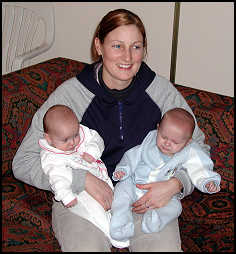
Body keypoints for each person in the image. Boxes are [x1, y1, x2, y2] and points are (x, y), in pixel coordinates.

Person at [12, 8, 214, 252]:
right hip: (85, 199)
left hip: (145, 195)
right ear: (99, 46)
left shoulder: (160, 92)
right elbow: (24, 161)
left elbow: (198, 146)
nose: (127, 57)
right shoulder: (71, 95)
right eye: (117, 46)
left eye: (136, 46)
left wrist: (175, 184)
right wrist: (81, 179)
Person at [110, 108, 221, 245]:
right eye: (163, 137)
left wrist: (208, 181)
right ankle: (120, 226)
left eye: (175, 142)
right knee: (120, 192)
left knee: (176, 208)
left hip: (164, 195)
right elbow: (132, 155)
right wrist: (123, 170)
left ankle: (155, 219)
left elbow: (200, 166)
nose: (167, 144)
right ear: (158, 128)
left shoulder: (190, 150)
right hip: (134, 184)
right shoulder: (150, 140)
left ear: (187, 142)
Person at [39, 104, 128, 248]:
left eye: (75, 135)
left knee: (115, 205)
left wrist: (92, 151)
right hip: (79, 192)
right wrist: (66, 196)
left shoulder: (80, 132)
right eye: (65, 140)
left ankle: (120, 226)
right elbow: (57, 179)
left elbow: (97, 139)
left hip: (102, 178)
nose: (73, 142)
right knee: (95, 212)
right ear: (48, 139)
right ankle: (113, 235)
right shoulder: (51, 158)